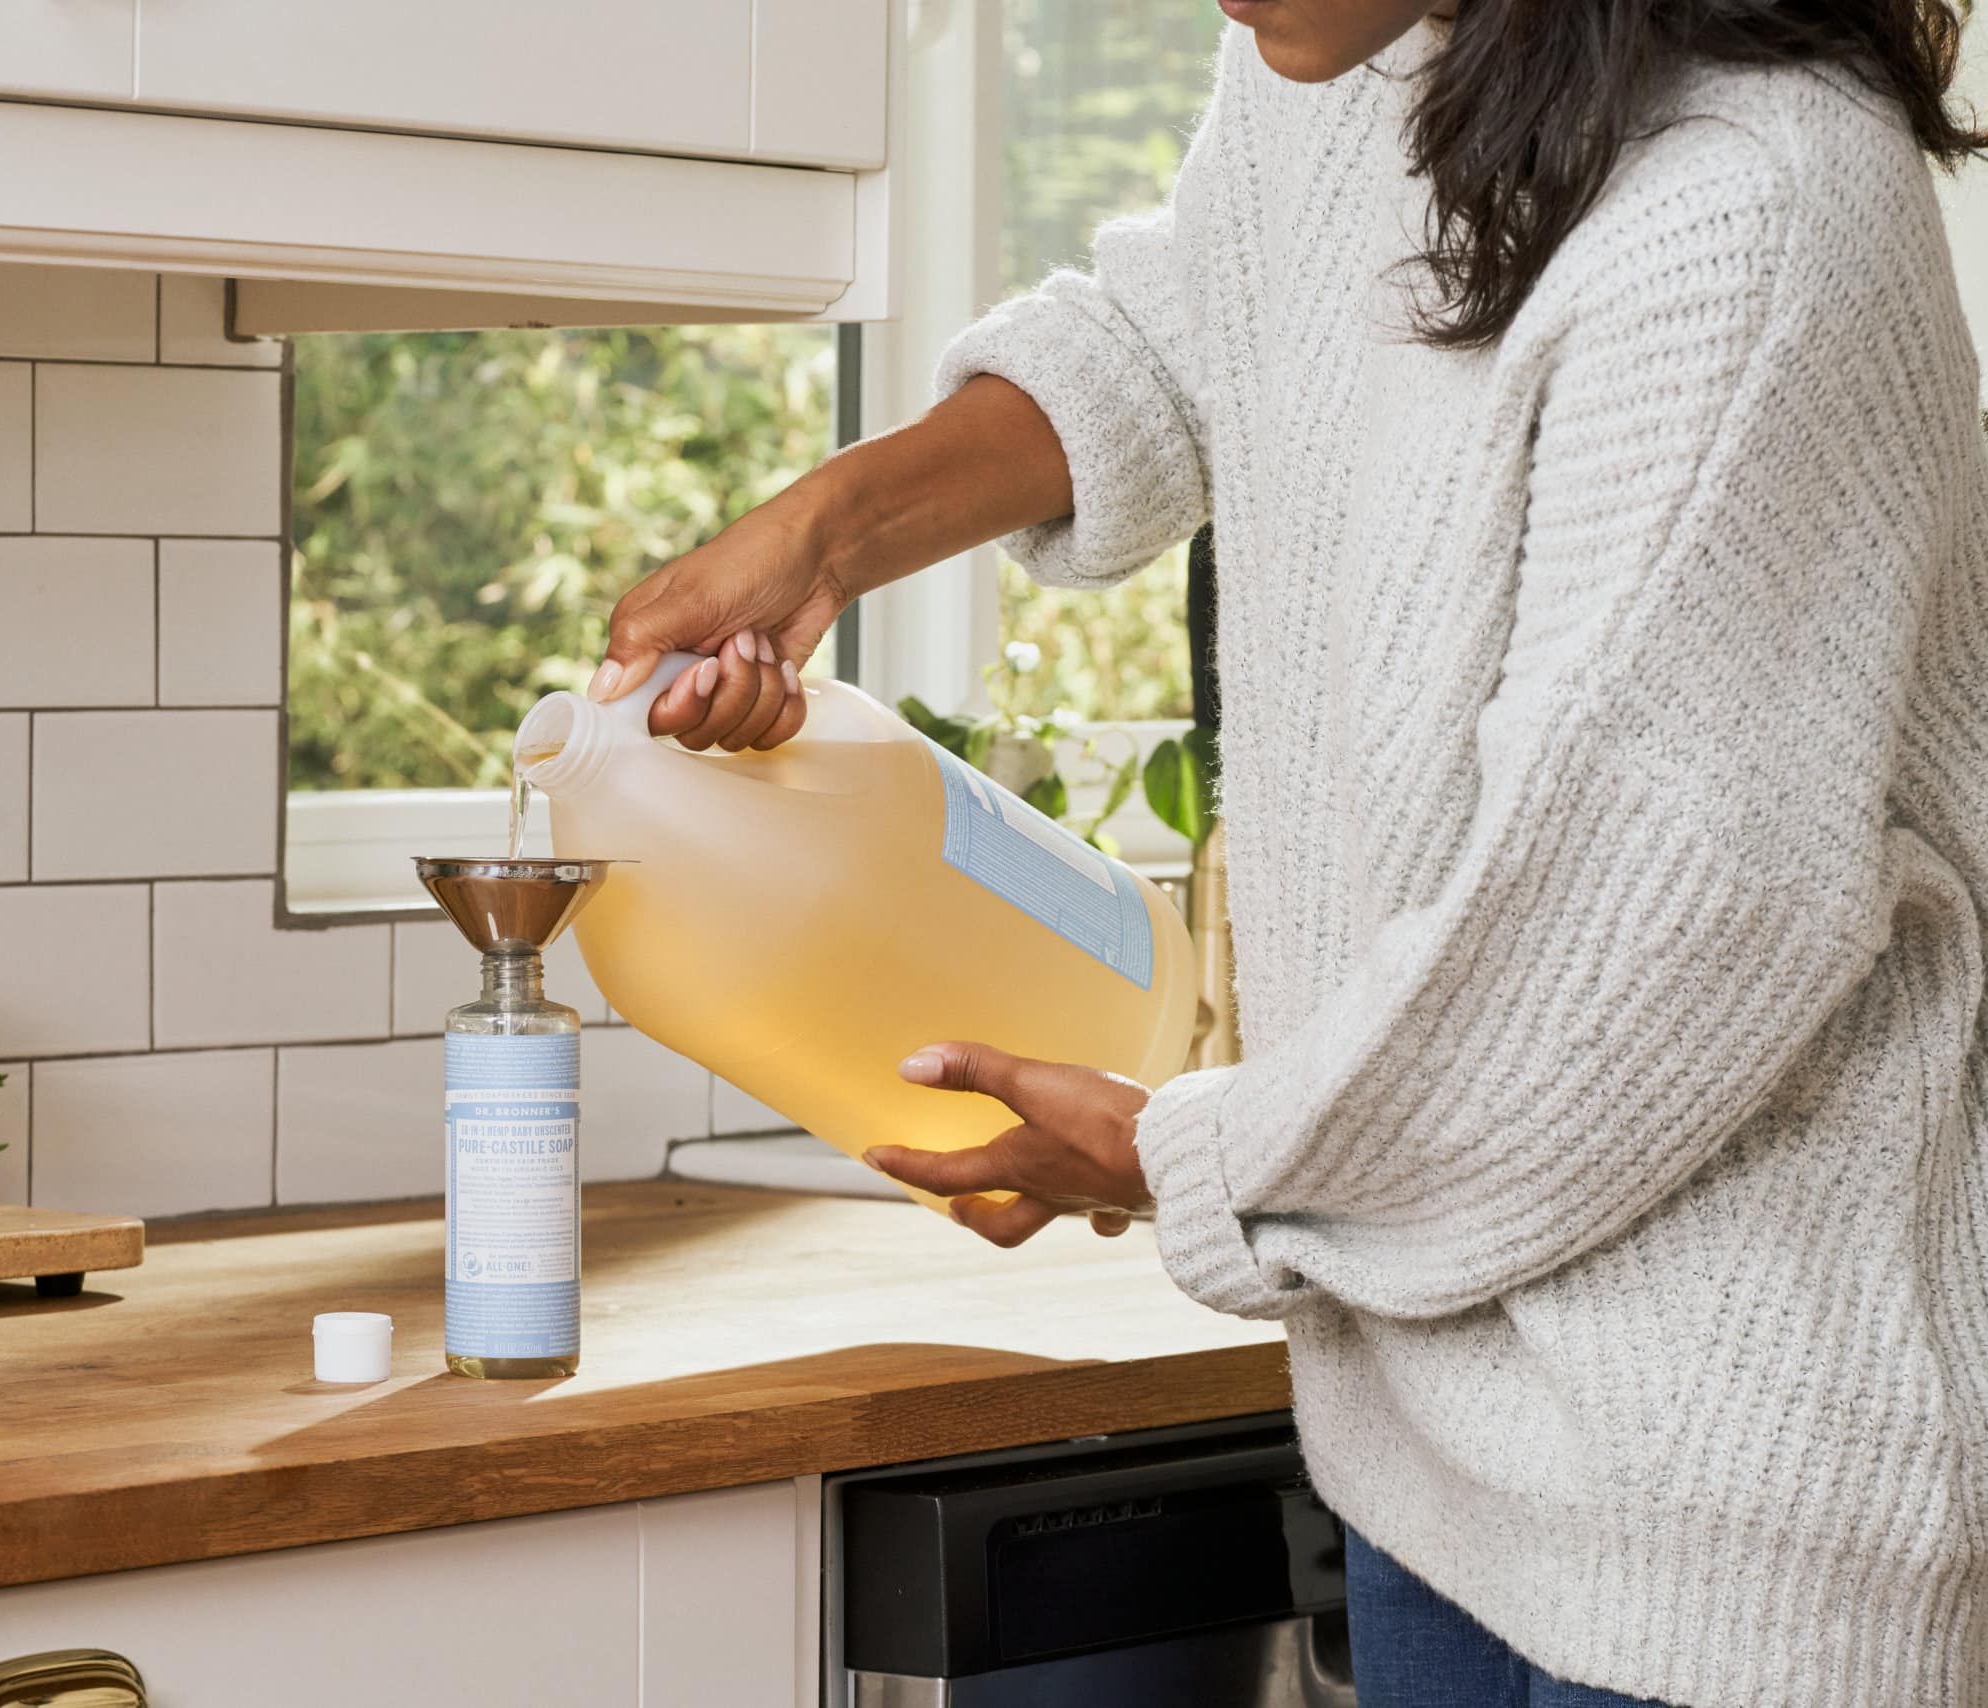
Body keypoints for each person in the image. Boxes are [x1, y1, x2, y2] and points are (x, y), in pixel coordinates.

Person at [588, 0, 1988, 1703]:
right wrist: (830, 534)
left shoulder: (1754, 213)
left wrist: (1205, 1162)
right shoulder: (1357, 62)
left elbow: (1634, 952)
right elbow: (1198, 333)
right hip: (1424, 1452)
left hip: (1726, 1519)